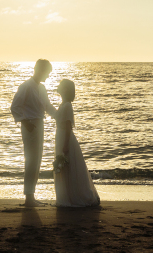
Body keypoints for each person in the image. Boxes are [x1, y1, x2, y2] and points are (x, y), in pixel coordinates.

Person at [10, 59, 58, 207]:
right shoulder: (25, 86)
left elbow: (47, 107)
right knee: (31, 160)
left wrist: (60, 117)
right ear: (39, 70)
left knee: (37, 160)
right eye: (47, 73)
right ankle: (29, 197)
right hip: (29, 125)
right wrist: (25, 123)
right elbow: (14, 107)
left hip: (39, 124)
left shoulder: (42, 88)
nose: (48, 76)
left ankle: (31, 195)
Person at [53, 78, 100, 207]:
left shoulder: (67, 105)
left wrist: (66, 144)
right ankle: (65, 195)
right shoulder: (63, 104)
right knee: (63, 167)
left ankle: (73, 196)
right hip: (60, 136)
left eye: (61, 85)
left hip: (65, 138)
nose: (59, 87)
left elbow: (68, 126)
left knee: (68, 166)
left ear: (66, 89)